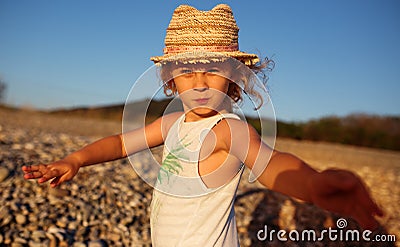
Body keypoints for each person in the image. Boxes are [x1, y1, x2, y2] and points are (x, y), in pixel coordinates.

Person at [22, 4, 383, 246]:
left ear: (233, 77)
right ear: (169, 79)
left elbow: (272, 165)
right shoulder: (174, 123)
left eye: (212, 70)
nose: (199, 82)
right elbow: (119, 144)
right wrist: (75, 160)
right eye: (186, 71)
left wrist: (315, 185)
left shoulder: (228, 129)